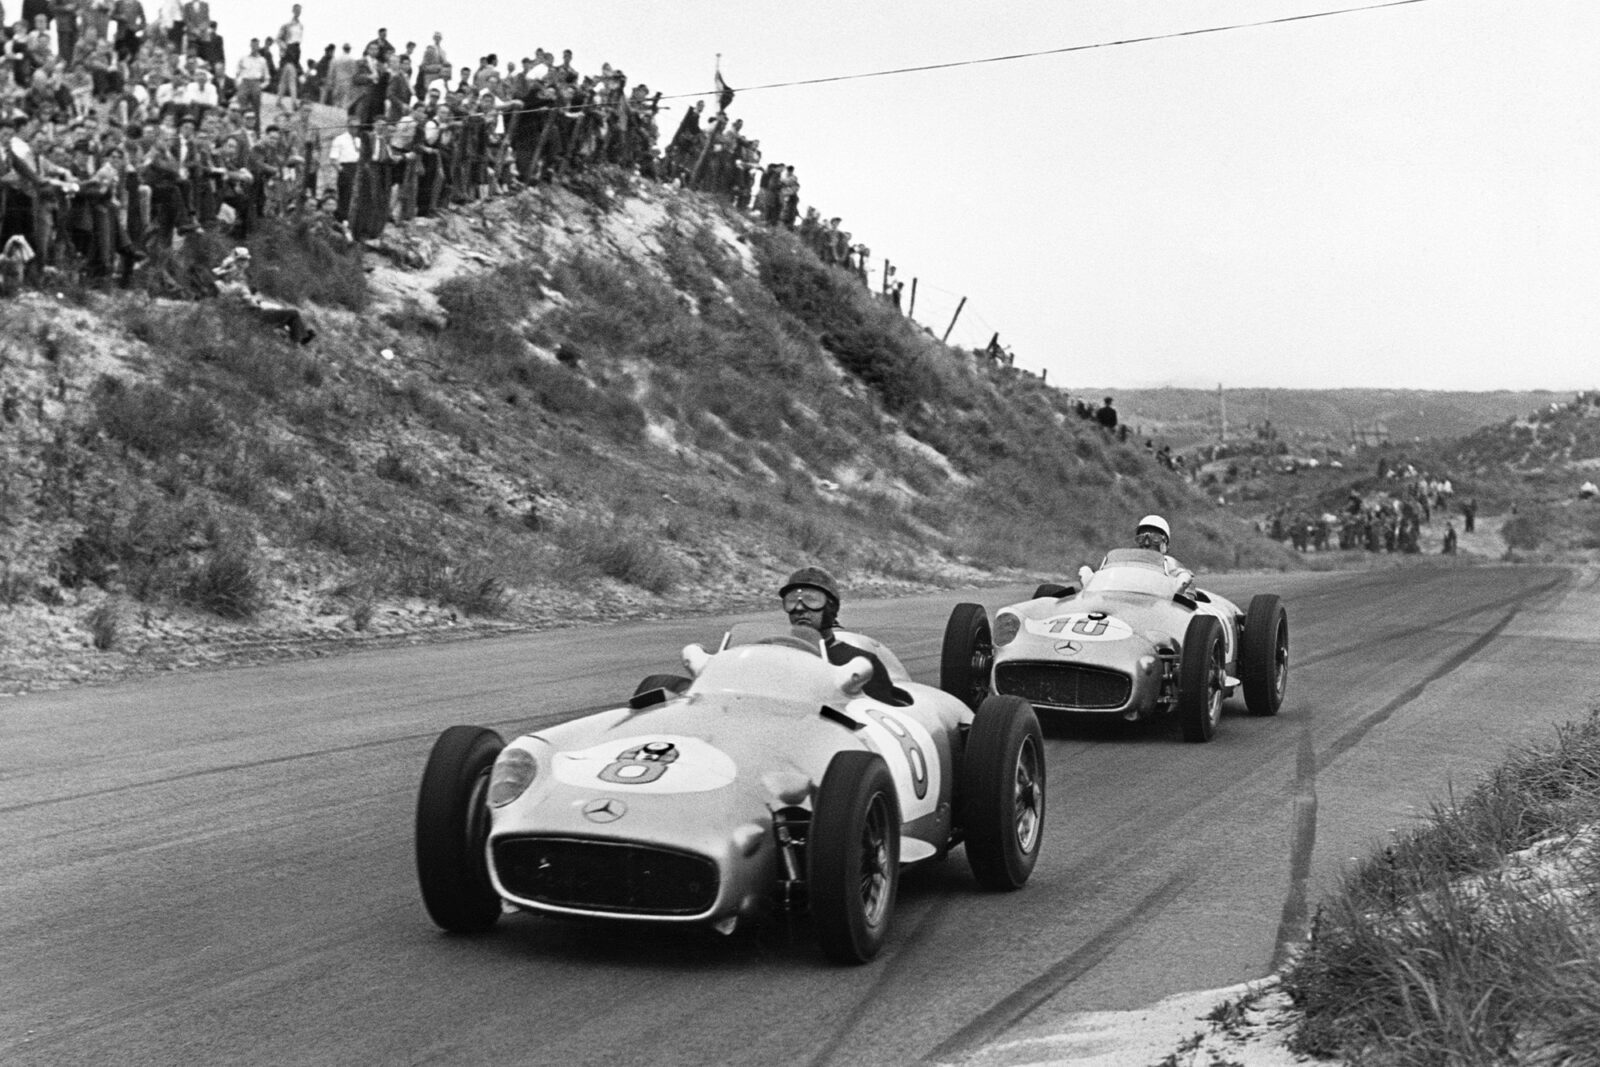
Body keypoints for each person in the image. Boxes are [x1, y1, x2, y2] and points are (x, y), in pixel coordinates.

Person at [778, 566, 903, 705]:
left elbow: (880, 717)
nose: (799, 608)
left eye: (811, 600)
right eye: (792, 601)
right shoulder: (776, 659)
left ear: (831, 606)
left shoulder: (863, 662)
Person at [211, 246, 315, 344]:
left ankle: (300, 334)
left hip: (247, 311)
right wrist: (255, 300)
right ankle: (298, 340)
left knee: (278, 308)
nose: (245, 264)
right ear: (238, 263)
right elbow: (248, 302)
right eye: (243, 261)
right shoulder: (237, 285)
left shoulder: (223, 282)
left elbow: (234, 297)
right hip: (253, 315)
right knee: (293, 313)